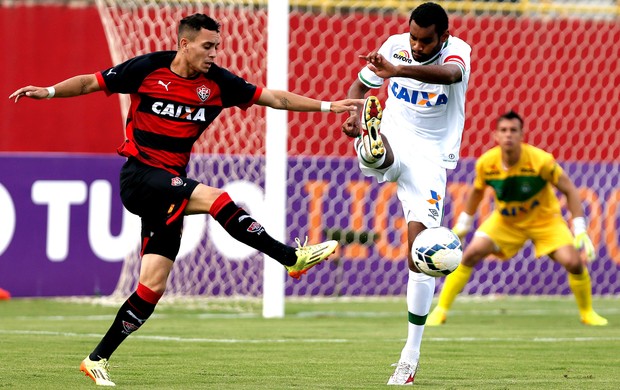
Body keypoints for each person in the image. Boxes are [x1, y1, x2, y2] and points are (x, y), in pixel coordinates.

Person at [10, 13, 363, 387]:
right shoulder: (147, 69)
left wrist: (328, 107)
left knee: (153, 285)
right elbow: (89, 83)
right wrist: (47, 91)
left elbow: (274, 97)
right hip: (140, 176)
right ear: (184, 44)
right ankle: (290, 258)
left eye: (217, 47)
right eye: (207, 46)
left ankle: (96, 359)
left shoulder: (218, 83)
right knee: (215, 198)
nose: (214, 54)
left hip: (168, 188)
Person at [341, 2, 471, 385]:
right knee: (378, 153)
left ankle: (409, 355)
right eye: (412, 37)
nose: (415, 45)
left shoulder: (457, 51)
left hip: (431, 159)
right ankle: (373, 144)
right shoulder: (395, 45)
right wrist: (352, 109)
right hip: (397, 136)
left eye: (425, 40)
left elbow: (449, 75)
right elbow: (363, 84)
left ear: (443, 37)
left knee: (419, 255)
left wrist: (398, 70)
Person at [427, 110, 608, 327]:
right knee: (471, 253)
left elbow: (569, 189)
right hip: (506, 221)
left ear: (522, 134)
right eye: (503, 130)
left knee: (573, 262)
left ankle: (587, 313)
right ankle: (441, 310)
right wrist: (464, 224)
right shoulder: (486, 163)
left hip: (545, 221)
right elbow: (477, 192)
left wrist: (579, 229)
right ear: (495, 135)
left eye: (513, 130)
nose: (508, 135)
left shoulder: (541, 161)